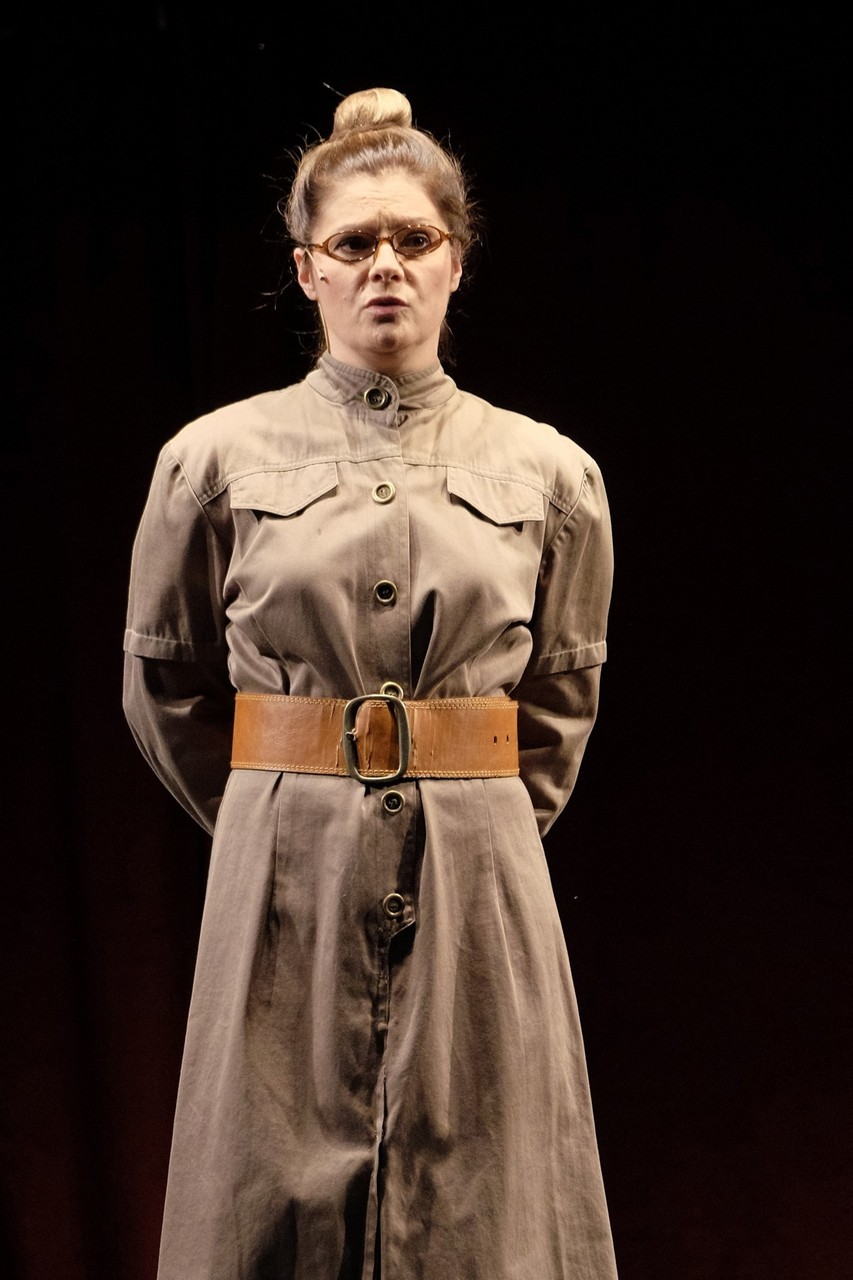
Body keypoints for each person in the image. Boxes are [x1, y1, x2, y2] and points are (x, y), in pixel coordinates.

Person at [123, 86, 618, 1280]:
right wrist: (278, 813)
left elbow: (560, 702)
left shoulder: (550, 473)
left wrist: (477, 821)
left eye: (412, 237)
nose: (384, 264)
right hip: (282, 877)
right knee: (266, 1197)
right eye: (353, 242)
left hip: (478, 881)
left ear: (456, 261)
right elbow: (163, 682)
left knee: (482, 1201)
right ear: (308, 271)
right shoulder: (210, 460)